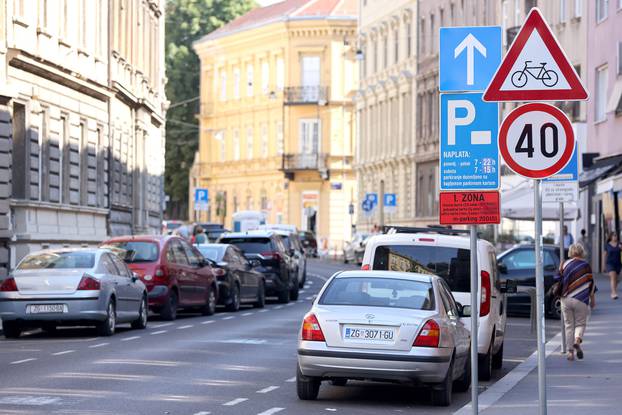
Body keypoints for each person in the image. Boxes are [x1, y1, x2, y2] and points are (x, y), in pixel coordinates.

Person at [556, 243, 596, 361]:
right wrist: (592, 299)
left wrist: (560, 268)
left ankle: (570, 353)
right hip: (581, 298)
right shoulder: (586, 265)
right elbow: (591, 283)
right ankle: (577, 340)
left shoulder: (565, 264)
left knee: (569, 326)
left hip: (566, 298)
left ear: (571, 252)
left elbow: (557, 278)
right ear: (582, 252)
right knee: (580, 324)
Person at [604, 231, 621, 300]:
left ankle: (613, 291)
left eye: (616, 235)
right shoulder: (607, 245)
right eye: (614, 235)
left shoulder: (619, 244)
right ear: (611, 237)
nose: (615, 237)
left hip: (618, 264)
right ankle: (614, 293)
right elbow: (604, 255)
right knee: (613, 277)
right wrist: (603, 265)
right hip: (610, 263)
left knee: (617, 279)